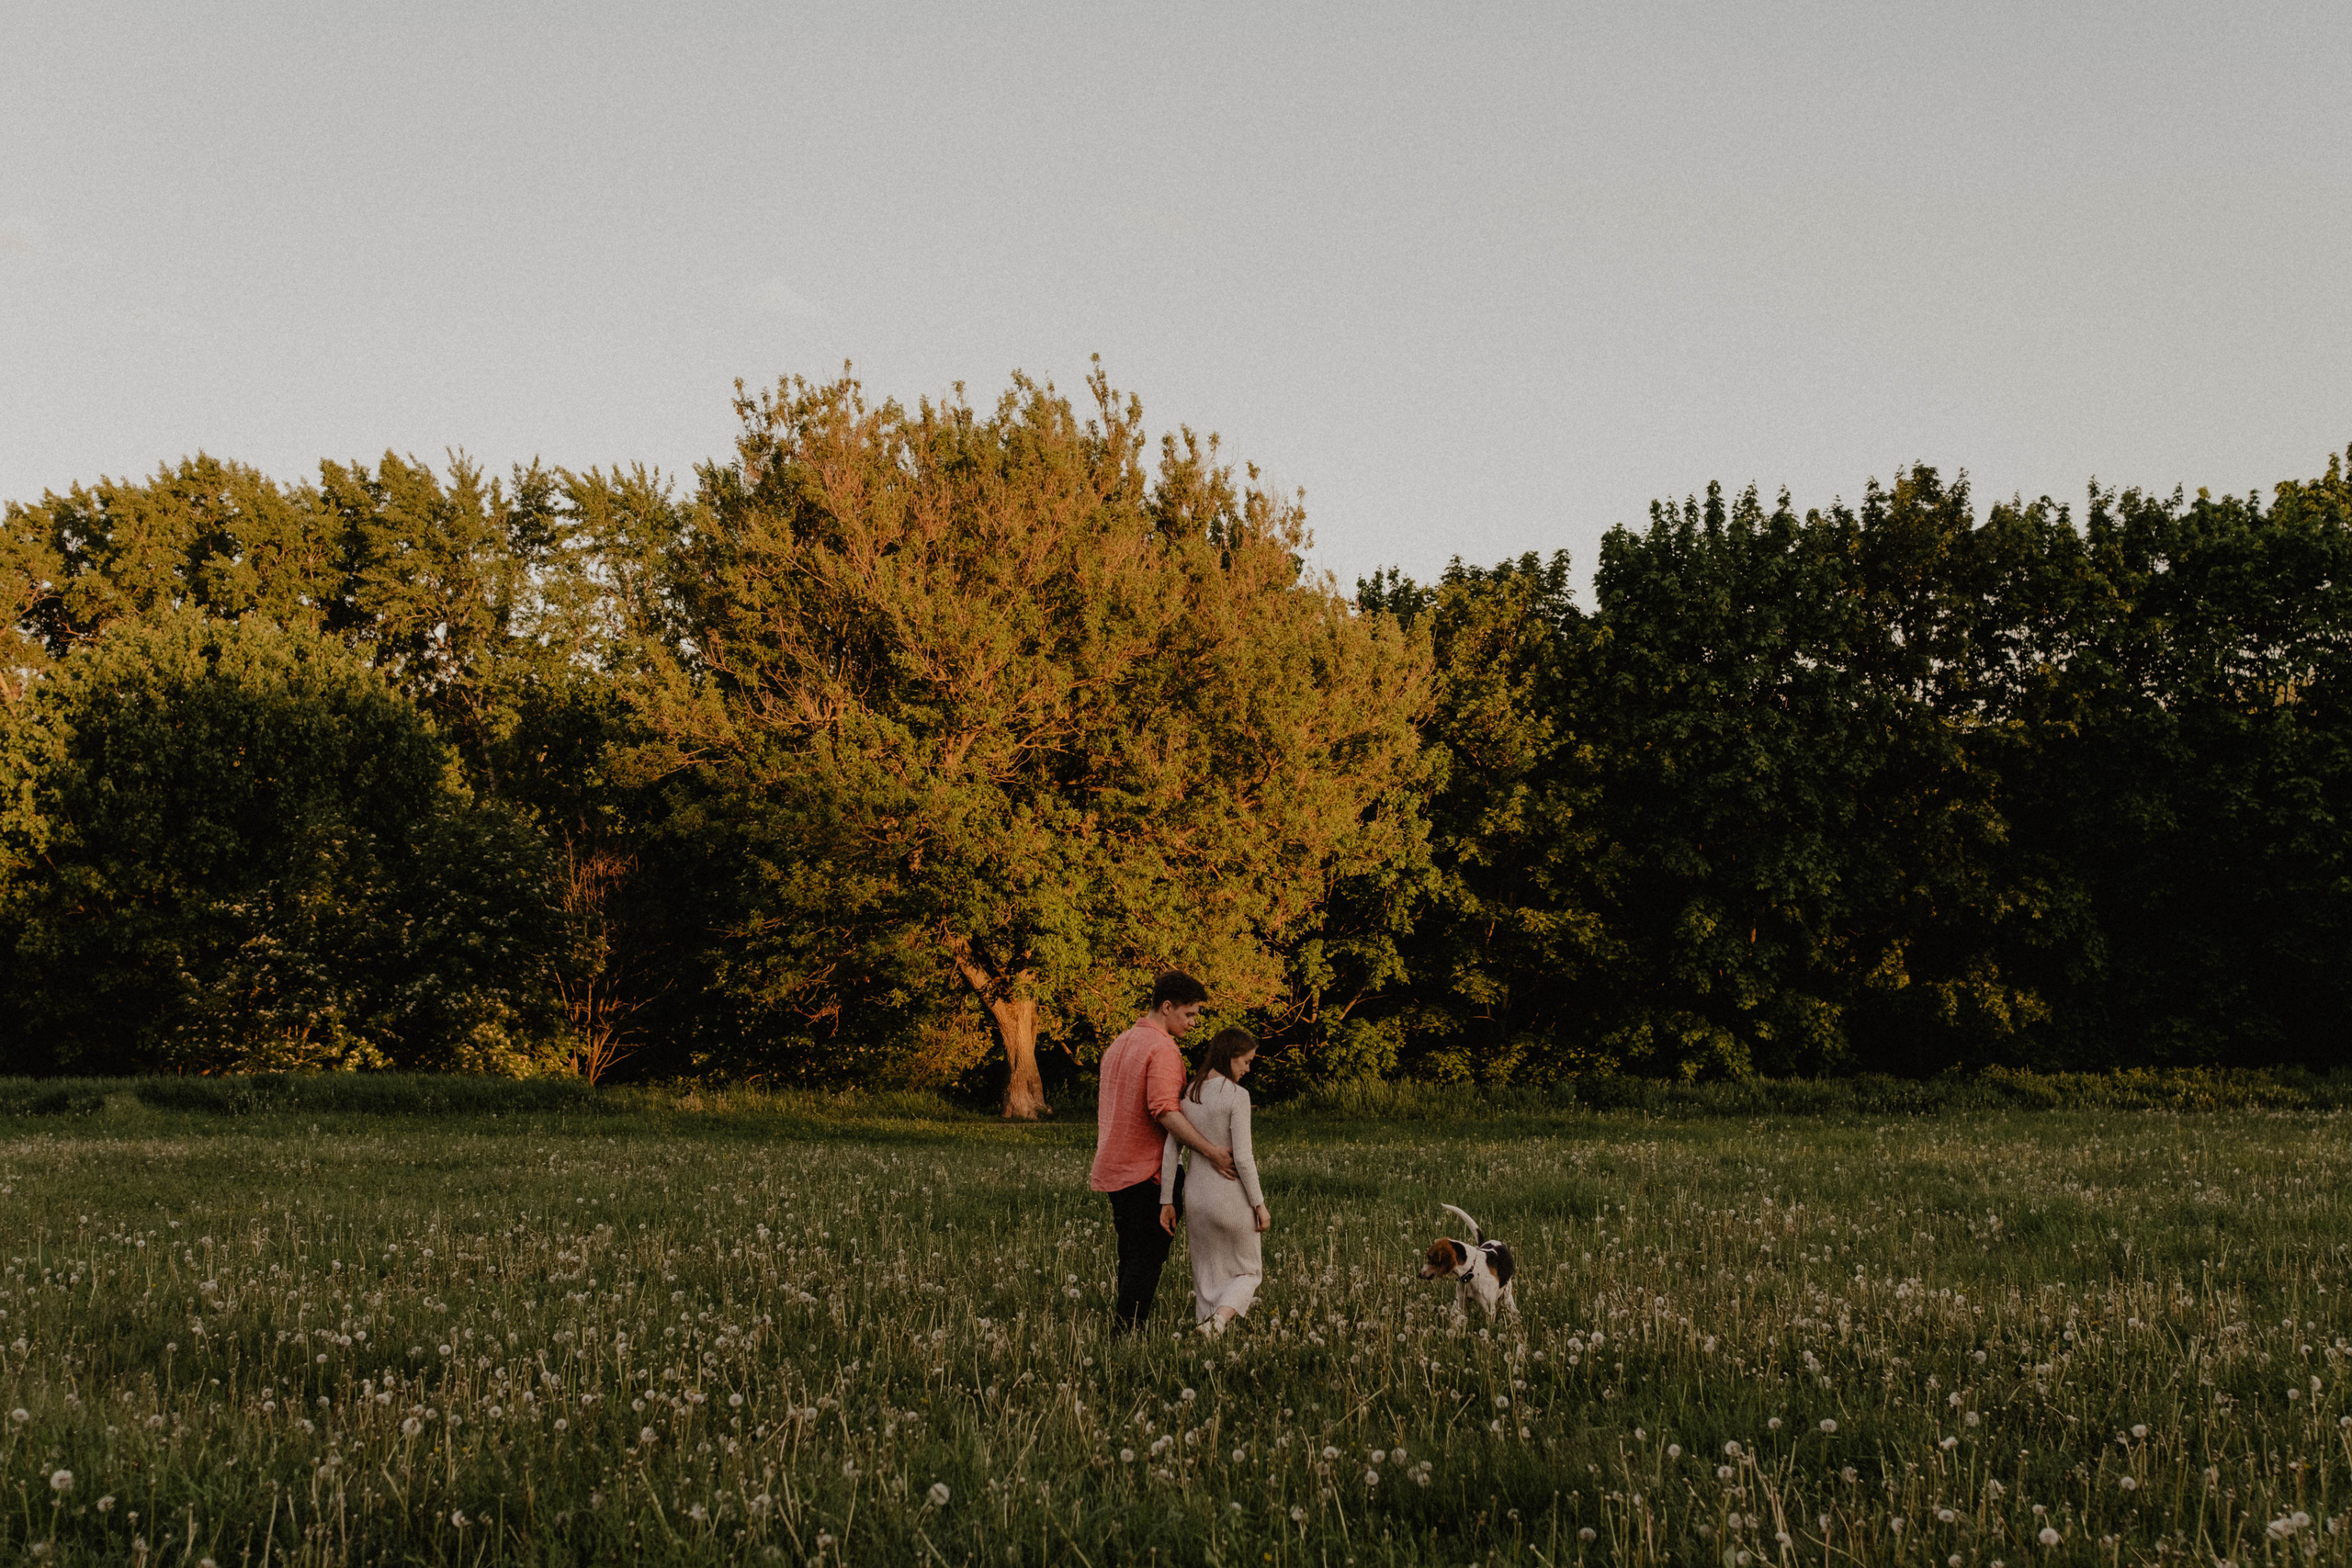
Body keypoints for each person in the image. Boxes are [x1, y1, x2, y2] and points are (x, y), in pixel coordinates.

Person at [1091, 972, 1237, 1332]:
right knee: (1146, 1260)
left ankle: (1124, 1330)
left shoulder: (1121, 1042)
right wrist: (1212, 1151)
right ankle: (1127, 1334)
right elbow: (1165, 1112)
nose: (1193, 1022)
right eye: (1189, 1014)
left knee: (1130, 1255)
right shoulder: (1163, 1050)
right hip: (1147, 1173)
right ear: (1167, 1007)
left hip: (1114, 1169)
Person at [1159, 1026, 1270, 1336]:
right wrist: (1259, 1204)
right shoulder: (1237, 1096)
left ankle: (1205, 1333)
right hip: (1230, 1197)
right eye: (1245, 1062)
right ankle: (1219, 1323)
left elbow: (1172, 1150)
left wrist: (1166, 1200)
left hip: (1195, 1196)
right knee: (1249, 1271)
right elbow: (1244, 1158)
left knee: (1206, 1276)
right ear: (1231, 1057)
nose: (1248, 1069)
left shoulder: (1188, 1093)